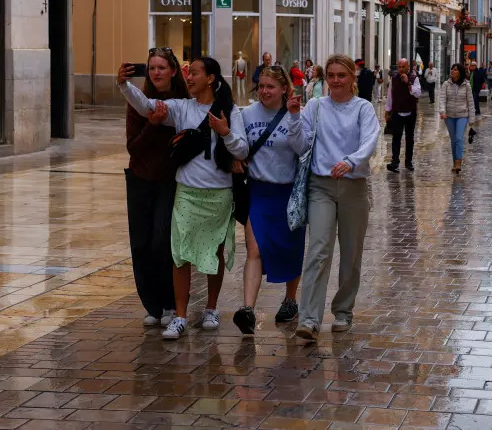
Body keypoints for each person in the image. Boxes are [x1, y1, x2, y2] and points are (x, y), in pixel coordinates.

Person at [119, 57, 249, 340]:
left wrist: (225, 133)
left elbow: (241, 150)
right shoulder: (181, 108)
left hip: (218, 194)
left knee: (214, 252)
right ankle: (179, 315)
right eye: (188, 73)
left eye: (196, 73)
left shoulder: (230, 111)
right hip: (187, 193)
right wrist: (124, 85)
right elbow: (147, 107)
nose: (189, 78)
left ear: (211, 78)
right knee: (181, 255)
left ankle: (211, 308)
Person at [296, 55, 381, 341]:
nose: (335, 81)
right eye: (330, 75)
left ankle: (343, 311)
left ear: (352, 78)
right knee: (318, 249)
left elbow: (370, 139)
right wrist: (295, 119)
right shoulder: (315, 106)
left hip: (353, 187)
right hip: (320, 186)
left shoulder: (363, 108)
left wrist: (352, 160)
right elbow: (301, 144)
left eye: (341, 75)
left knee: (351, 253)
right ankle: (308, 318)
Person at [232, 66, 308, 335]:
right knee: (254, 250)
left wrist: (296, 117)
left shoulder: (296, 113)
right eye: (261, 86)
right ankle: (248, 310)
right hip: (257, 191)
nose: (264, 91)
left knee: (290, 248)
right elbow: (240, 145)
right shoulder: (247, 113)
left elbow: (303, 149)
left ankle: (290, 300)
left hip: (288, 192)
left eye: (271, 87)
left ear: (284, 89)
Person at [125, 48, 188, 329]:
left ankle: (168, 302)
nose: (156, 73)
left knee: (162, 241)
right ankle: (151, 304)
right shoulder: (138, 104)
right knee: (140, 244)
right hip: (140, 179)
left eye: (162, 67)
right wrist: (152, 126)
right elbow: (134, 147)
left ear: (173, 71)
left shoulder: (184, 103)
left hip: (169, 181)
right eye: (152, 68)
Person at [385, 58, 421, 173]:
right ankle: (395, 162)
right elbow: (390, 96)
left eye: (403, 67)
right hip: (397, 112)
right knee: (396, 137)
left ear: (408, 67)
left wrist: (408, 83)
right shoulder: (393, 79)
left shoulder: (414, 78)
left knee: (409, 138)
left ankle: (408, 161)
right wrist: (387, 110)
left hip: (410, 112)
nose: (400, 69)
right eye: (399, 67)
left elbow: (418, 93)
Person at [438, 63, 475, 173]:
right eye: (452, 69)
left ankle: (458, 163)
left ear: (460, 72)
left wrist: (471, 120)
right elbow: (442, 99)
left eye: (455, 70)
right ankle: (455, 162)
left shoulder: (466, 85)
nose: (452, 71)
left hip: (462, 115)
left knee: (459, 138)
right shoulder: (446, 84)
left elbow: (470, 103)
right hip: (449, 116)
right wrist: (442, 112)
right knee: (453, 140)